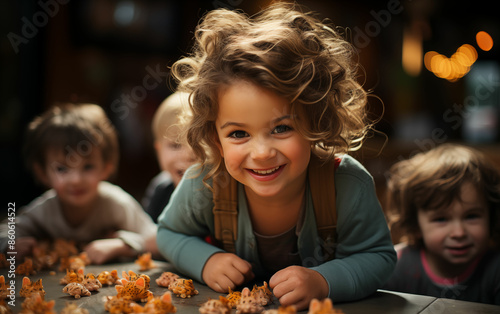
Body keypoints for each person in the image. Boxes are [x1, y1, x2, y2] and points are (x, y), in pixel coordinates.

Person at [156, 3, 396, 310]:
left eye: (281, 128)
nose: (262, 153)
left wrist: (324, 282)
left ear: (317, 122)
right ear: (215, 139)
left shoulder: (345, 185)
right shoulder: (205, 182)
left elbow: (378, 257)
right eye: (238, 134)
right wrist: (206, 261)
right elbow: (169, 232)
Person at [0, 103, 158, 264]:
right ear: (43, 173)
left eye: (88, 167)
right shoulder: (45, 209)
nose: (76, 179)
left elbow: (157, 239)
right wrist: (10, 245)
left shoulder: (117, 203)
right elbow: (6, 230)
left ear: (106, 167)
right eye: (62, 169)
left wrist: (123, 244)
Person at [383, 144, 500, 305]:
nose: (458, 233)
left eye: (471, 216)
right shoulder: (394, 266)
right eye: (441, 219)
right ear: (415, 224)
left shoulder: (495, 270)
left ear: (491, 216)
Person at [142, 91, 196, 222]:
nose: (187, 155)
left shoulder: (222, 194)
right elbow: (149, 232)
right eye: (175, 145)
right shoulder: (160, 189)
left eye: (197, 145)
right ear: (158, 151)